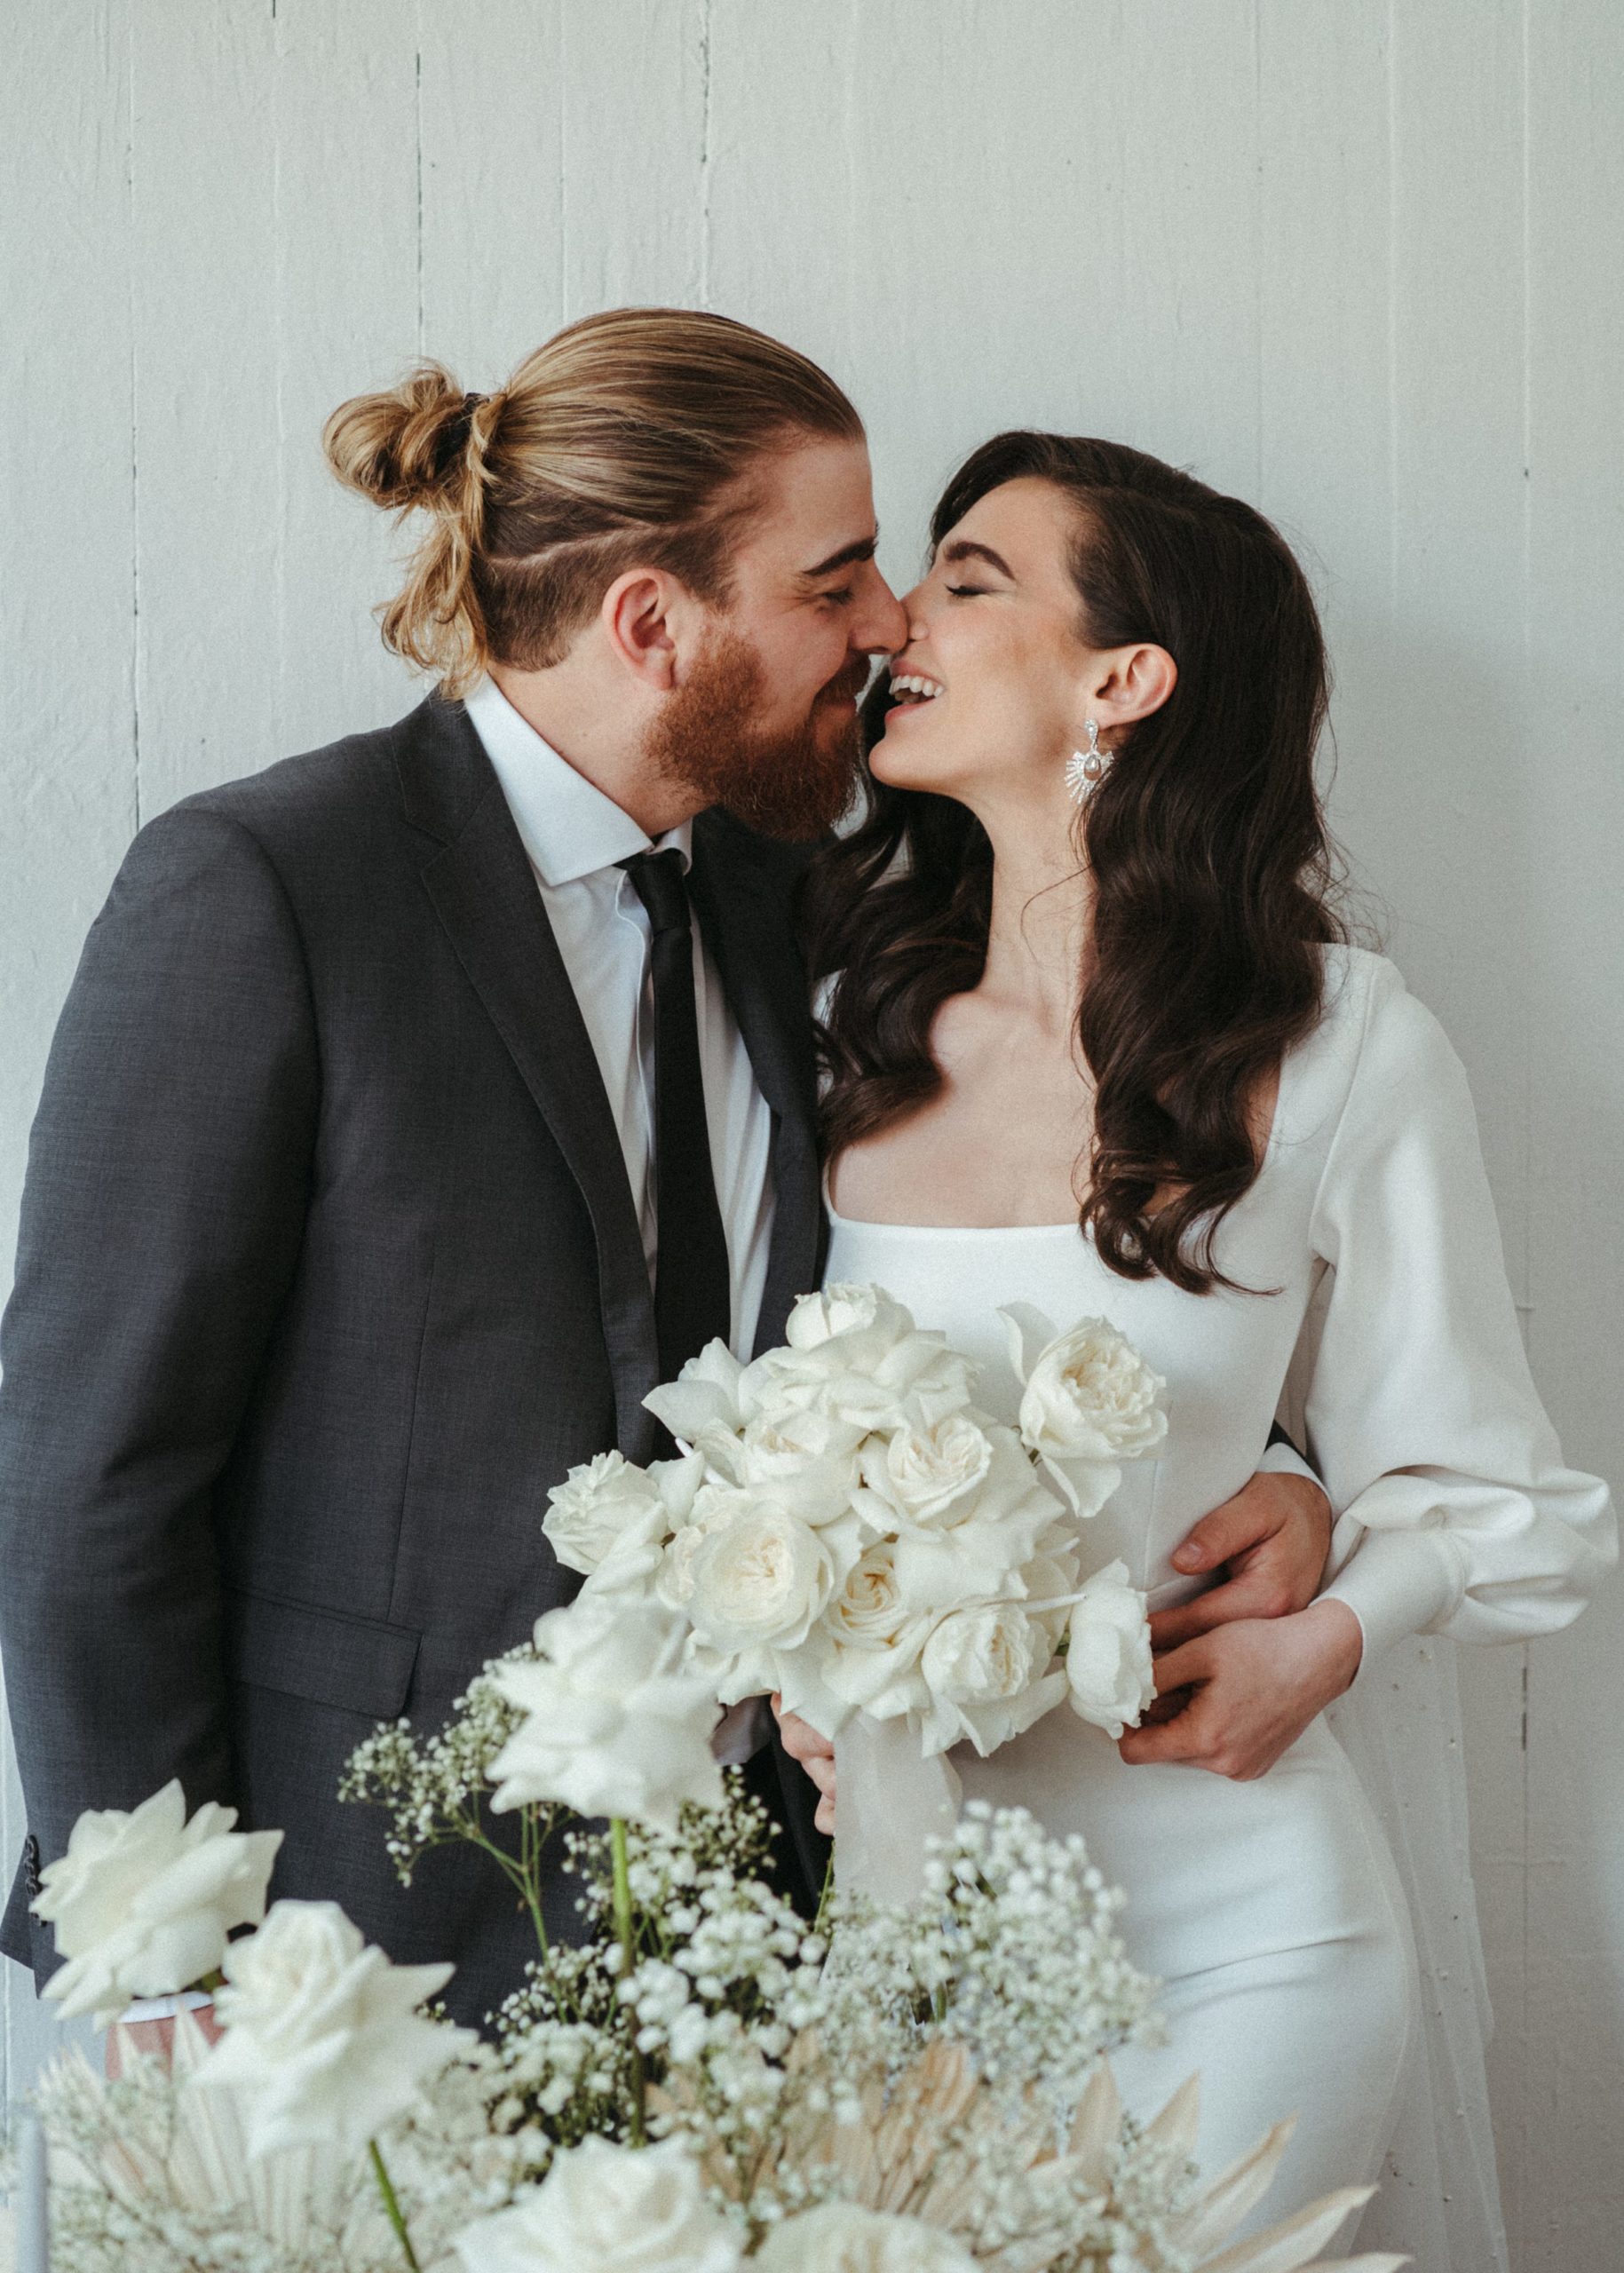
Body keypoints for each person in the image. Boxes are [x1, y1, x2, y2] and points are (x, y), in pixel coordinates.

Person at [0, 317, 1330, 2035]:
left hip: (762, 1926)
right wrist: (153, 1964)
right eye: (836, 579)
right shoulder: (267, 889)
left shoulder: (807, 904)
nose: (887, 625)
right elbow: (85, 1467)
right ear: (652, 622)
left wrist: (1271, 1465)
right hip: (344, 1940)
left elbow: (992, 1245)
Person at [778, 432, 1615, 2261]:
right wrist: (787, 1657)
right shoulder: (839, 1015)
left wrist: (1326, 1637)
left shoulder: (1339, 1048)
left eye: (972, 575)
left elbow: (1506, 1498)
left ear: (1127, 676)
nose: (902, 615)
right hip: (907, 1917)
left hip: (1245, 1918)